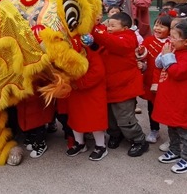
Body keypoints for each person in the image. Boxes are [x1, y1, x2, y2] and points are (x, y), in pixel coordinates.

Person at [91, 12, 149, 157]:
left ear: (125, 27)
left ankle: (139, 140)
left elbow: (112, 42)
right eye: (108, 24)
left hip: (125, 86)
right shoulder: (110, 37)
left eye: (113, 25)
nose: (108, 28)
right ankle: (116, 135)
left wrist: (95, 32)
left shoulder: (128, 38)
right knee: (111, 117)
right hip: (110, 86)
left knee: (125, 118)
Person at [154, 21, 187, 174]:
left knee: (185, 129)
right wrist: (164, 55)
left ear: (186, 41)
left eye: (173, 37)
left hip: (184, 98)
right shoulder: (176, 51)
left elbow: (177, 72)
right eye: (170, 36)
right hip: (173, 96)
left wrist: (167, 57)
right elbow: (159, 65)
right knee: (172, 125)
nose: (169, 40)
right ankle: (175, 150)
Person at [65, 44, 108, 161]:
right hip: (75, 92)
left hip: (92, 92)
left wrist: (80, 83)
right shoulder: (68, 53)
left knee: (95, 119)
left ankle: (101, 145)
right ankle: (80, 143)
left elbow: (97, 72)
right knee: (76, 117)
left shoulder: (91, 54)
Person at [137, 15, 172, 144]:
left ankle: (172, 132)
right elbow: (142, 56)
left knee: (168, 106)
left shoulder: (172, 43)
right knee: (151, 105)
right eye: (156, 25)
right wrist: (140, 56)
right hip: (151, 79)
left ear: (170, 29)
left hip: (167, 80)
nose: (157, 28)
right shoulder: (148, 41)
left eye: (162, 26)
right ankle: (154, 129)